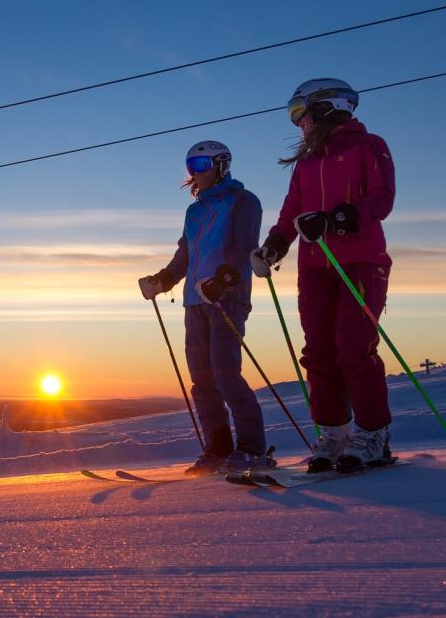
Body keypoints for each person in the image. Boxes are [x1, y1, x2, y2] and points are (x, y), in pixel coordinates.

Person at [250, 78, 395, 473]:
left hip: (360, 261)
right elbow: (291, 210)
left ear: (328, 107)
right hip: (314, 267)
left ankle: (373, 434)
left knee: (354, 347)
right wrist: (275, 245)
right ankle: (334, 433)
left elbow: (381, 198)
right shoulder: (306, 162)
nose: (298, 123)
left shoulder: (369, 146)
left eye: (300, 112)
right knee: (319, 353)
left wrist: (338, 219)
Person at [139, 141, 269, 474]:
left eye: (201, 164)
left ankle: (252, 449)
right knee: (202, 379)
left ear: (221, 165)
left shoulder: (243, 201)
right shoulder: (194, 211)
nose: (195, 172)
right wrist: (163, 279)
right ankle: (218, 448)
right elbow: (185, 255)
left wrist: (224, 281)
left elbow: (244, 248)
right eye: (190, 166)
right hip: (195, 301)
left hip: (227, 297)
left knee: (226, 375)